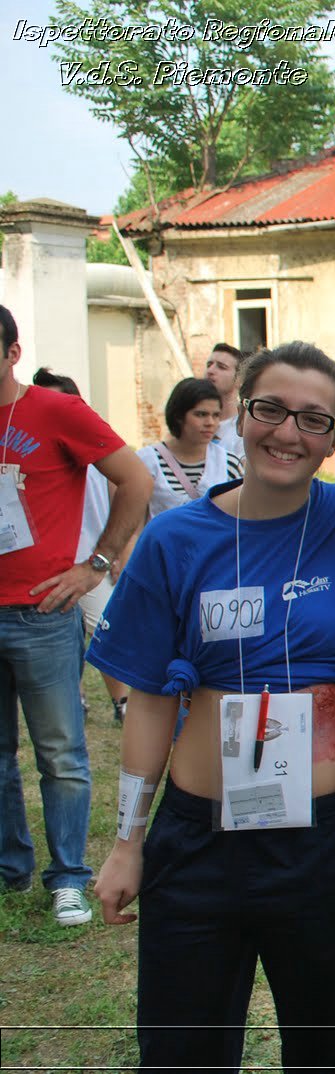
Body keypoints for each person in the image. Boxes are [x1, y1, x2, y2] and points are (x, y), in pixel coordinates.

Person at [89, 341, 335, 1070]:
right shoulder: (174, 540)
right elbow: (151, 701)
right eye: (270, 410)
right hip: (199, 843)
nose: (288, 433)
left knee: (325, 1048)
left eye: (314, 420)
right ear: (237, 417)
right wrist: (128, 842)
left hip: (322, 845)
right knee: (183, 1050)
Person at [0, 305, 151, 927]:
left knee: (60, 751)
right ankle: (11, 870)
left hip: (40, 610)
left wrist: (97, 563)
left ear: (11, 352)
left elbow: (135, 480)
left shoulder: (52, 410)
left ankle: (68, 877)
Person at [30, 368, 130, 724]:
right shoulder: (31, 450)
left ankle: (123, 701)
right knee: (58, 640)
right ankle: (76, 700)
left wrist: (114, 553)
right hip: (47, 563)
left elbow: (126, 494)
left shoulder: (96, 446)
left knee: (107, 628)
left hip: (91, 561)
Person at [138, 377, 243, 517]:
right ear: (179, 415)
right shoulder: (147, 461)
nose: (210, 422)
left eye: (216, 415)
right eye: (201, 414)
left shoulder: (229, 464)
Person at [205, 342, 246, 457]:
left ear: (239, 379)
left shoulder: (243, 429)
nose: (210, 371)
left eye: (221, 367)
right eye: (209, 365)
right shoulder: (191, 422)